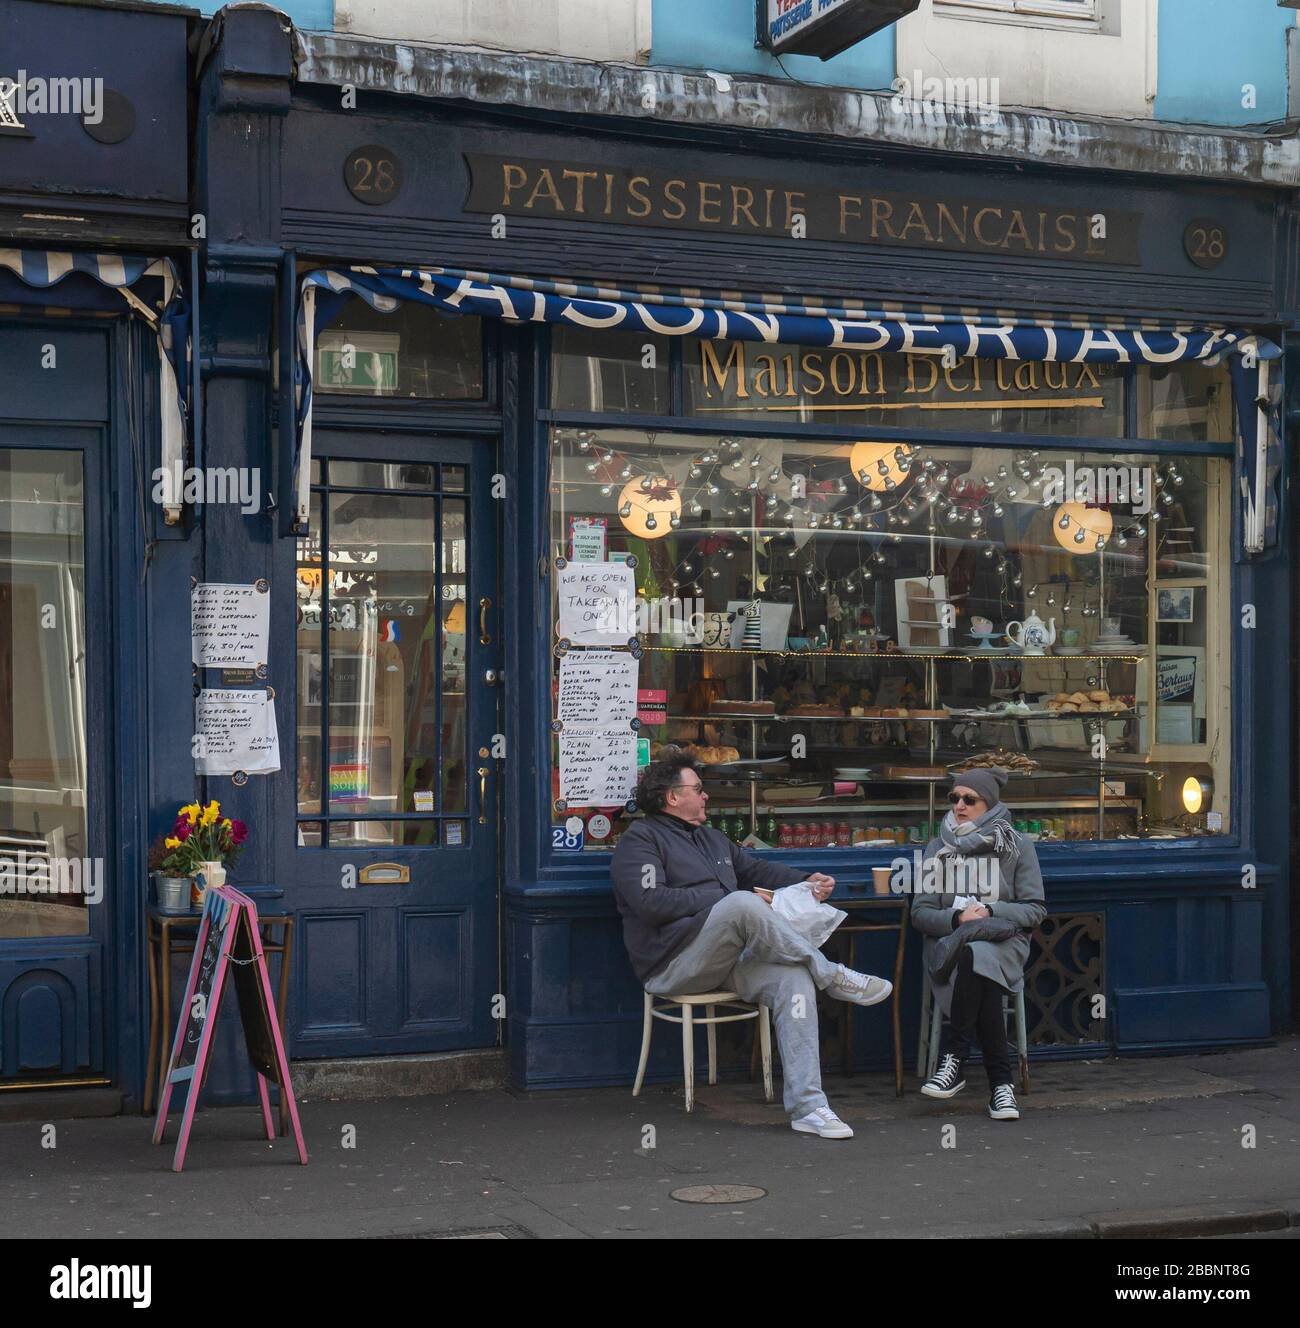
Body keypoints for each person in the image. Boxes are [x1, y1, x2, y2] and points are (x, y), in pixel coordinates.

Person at [611, 749, 893, 1139]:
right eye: (698, 788)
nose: (706, 795)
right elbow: (649, 902)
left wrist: (805, 879)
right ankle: (831, 973)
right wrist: (722, 900)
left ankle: (809, 1107)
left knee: (793, 978)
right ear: (671, 797)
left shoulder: (711, 838)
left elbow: (756, 869)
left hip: (724, 962)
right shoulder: (640, 840)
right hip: (673, 965)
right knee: (742, 901)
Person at [911, 767, 1046, 1121]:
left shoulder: (1017, 846)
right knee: (974, 957)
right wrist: (957, 920)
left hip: (1005, 942)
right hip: (951, 945)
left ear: (989, 805)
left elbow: (1035, 910)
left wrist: (990, 910)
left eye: (969, 800)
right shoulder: (937, 849)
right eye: (954, 798)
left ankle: (954, 1058)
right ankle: (1001, 1086)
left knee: (979, 955)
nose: (959, 806)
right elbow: (920, 914)